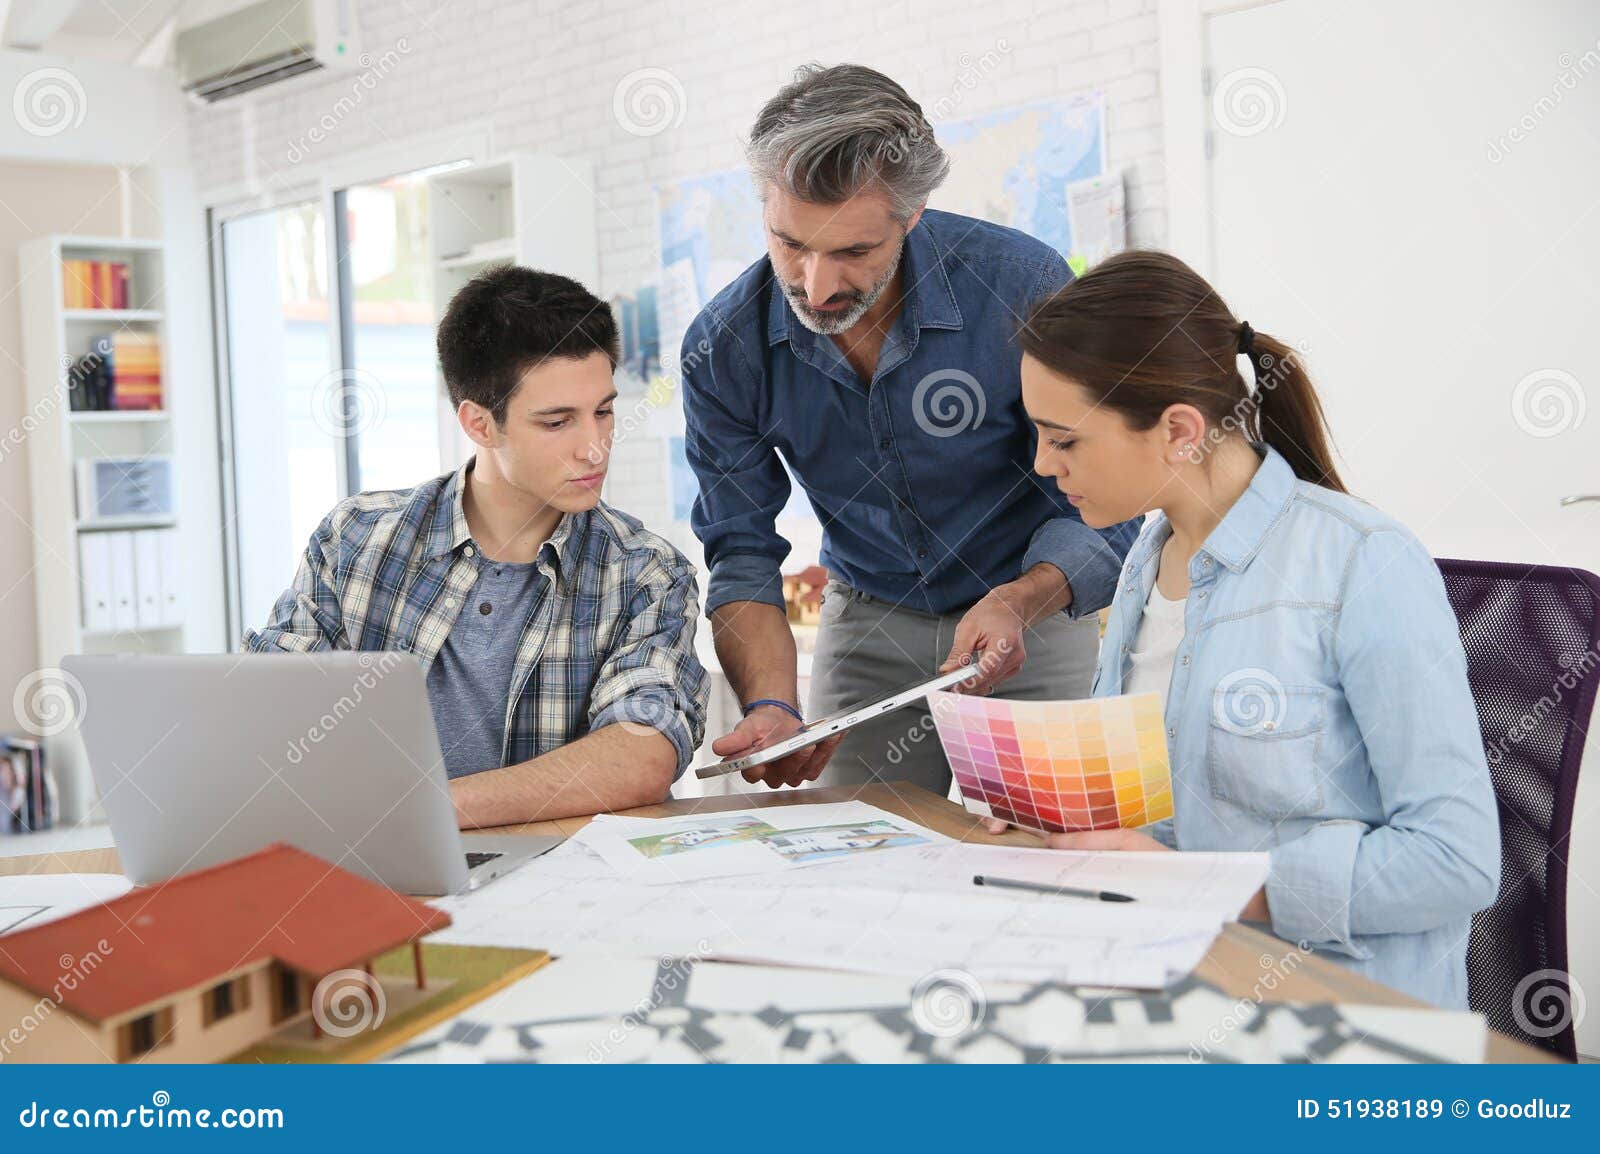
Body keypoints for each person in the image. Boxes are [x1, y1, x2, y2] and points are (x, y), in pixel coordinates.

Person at [1005, 249, 1499, 1007]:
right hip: (1176, 982)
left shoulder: (1364, 564)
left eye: (1064, 438)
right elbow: (1168, 820)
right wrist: (1056, 818)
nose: (1042, 463)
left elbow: (1455, 861)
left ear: (1177, 430)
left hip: (1335, 1025)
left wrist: (1208, 887)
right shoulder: (1148, 556)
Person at [681, 63, 1138, 793]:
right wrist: (769, 701)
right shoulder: (723, 346)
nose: (817, 285)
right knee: (860, 855)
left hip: (1030, 603)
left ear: (914, 212)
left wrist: (1022, 600)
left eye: (854, 252)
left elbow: (1108, 493)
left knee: (1049, 848)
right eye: (790, 243)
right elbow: (740, 547)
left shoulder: (1022, 284)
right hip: (870, 615)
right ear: (764, 203)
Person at [245, 266, 708, 826]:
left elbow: (641, 753)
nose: (596, 448)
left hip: (565, 885)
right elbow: (270, 711)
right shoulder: (357, 540)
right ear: (480, 424)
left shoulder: (646, 572)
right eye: (558, 422)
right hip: (377, 873)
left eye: (604, 411)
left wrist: (421, 810)